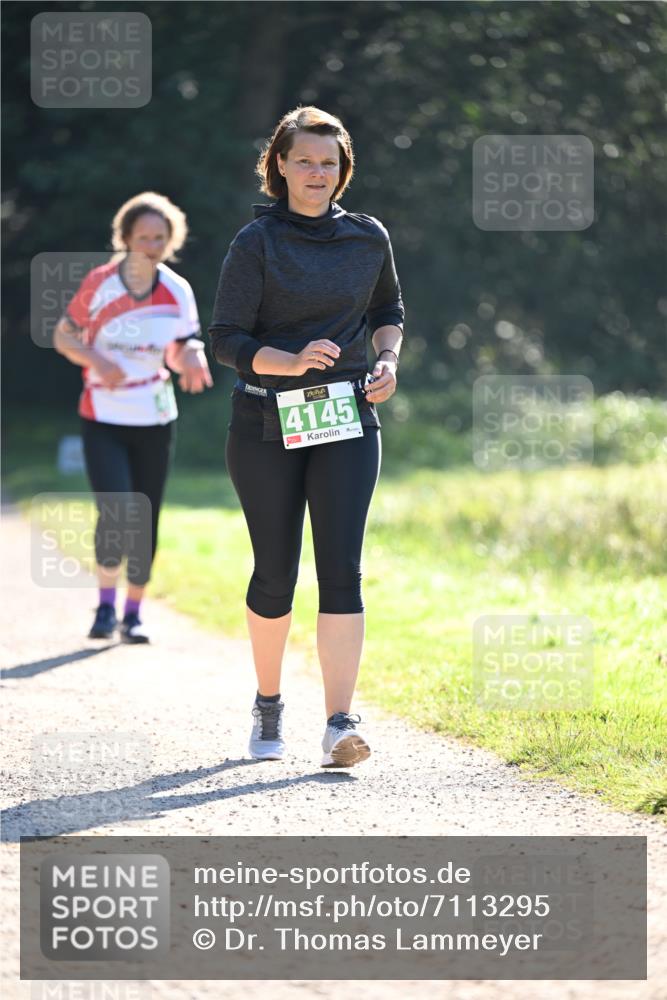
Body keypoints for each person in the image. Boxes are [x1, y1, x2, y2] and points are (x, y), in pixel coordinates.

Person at [208, 106, 404, 768]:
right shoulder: (254, 242)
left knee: (342, 568)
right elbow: (227, 339)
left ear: (342, 170)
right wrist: (287, 362)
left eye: (329, 162)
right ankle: (268, 702)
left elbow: (387, 311)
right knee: (275, 571)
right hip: (265, 419)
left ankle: (338, 722)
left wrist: (387, 361)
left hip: (345, 415)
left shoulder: (368, 236)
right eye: (304, 161)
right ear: (280, 167)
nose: (316, 173)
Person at [54, 191, 213, 643]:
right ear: (124, 238)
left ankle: (134, 613)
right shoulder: (101, 283)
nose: (150, 245)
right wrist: (96, 361)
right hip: (104, 413)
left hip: (155, 416)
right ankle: (105, 608)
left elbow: (184, 345)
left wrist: (194, 358)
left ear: (170, 241)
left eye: (159, 238)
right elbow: (64, 336)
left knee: (146, 516)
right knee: (117, 510)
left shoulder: (177, 290)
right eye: (142, 236)